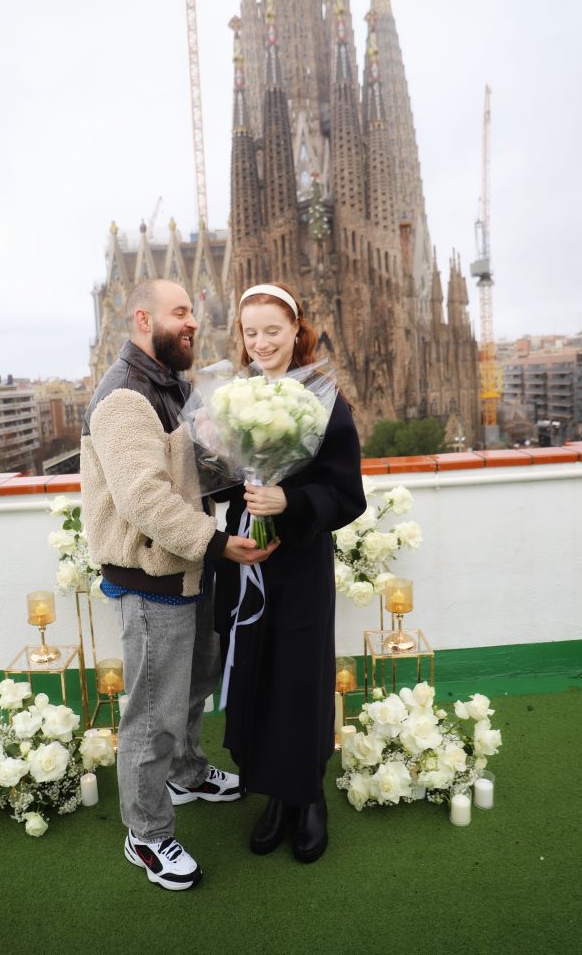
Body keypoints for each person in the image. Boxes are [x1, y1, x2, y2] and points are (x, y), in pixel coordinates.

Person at [81, 278, 276, 892]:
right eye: (181, 312)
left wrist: (253, 462)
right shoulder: (125, 397)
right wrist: (220, 542)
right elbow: (144, 499)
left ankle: (186, 773)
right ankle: (146, 832)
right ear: (143, 318)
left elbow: (190, 478)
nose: (194, 322)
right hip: (150, 576)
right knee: (151, 712)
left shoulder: (171, 387)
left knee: (193, 683)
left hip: (187, 567)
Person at [214, 282, 366, 864]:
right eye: (250, 333)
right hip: (245, 560)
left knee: (300, 678)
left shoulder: (324, 399)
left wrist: (290, 504)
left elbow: (346, 494)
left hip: (299, 562)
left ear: (296, 331)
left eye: (272, 331)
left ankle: (308, 797)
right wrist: (218, 455)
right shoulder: (233, 396)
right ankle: (271, 793)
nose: (260, 343)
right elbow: (228, 478)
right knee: (256, 672)